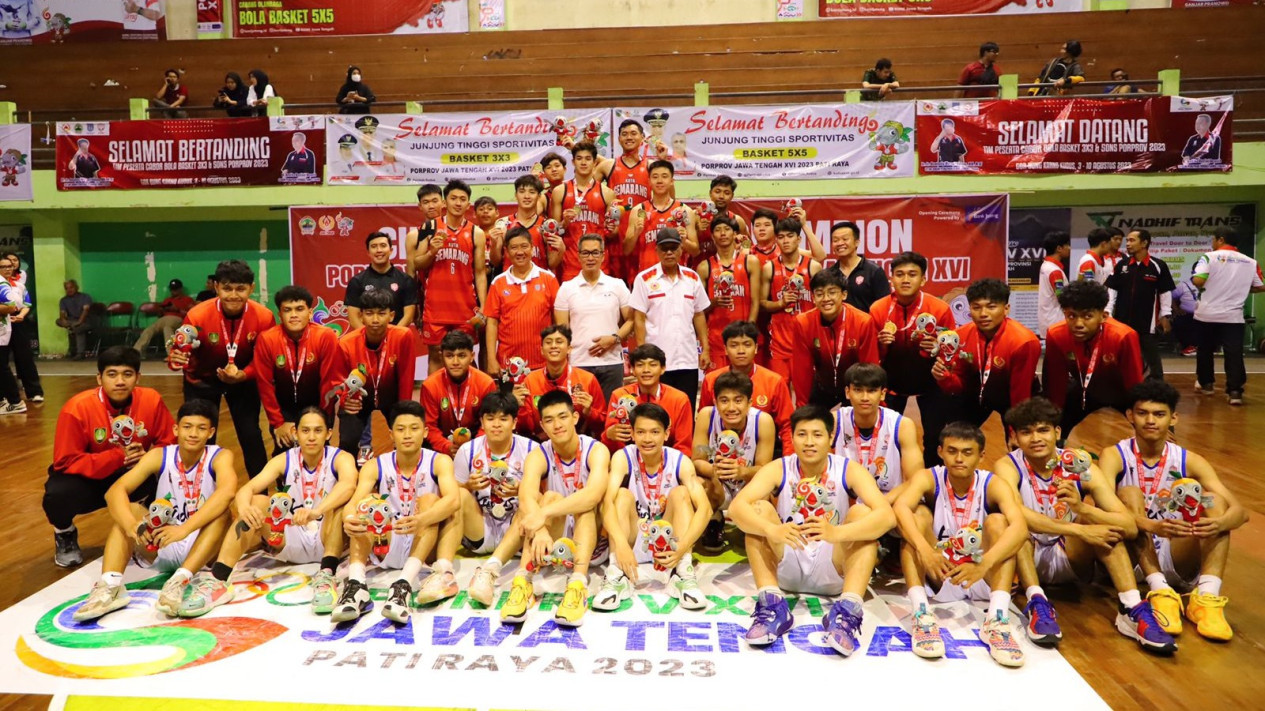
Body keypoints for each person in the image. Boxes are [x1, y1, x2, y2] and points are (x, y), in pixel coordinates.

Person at [994, 397, 1175, 653]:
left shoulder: (1081, 465)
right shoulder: (1007, 465)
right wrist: (1080, 529)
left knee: (1105, 526)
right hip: (1026, 556)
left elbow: (1128, 525)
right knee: (1013, 524)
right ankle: (1037, 601)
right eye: (1026, 432)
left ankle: (1131, 607)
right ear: (1014, 437)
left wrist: (1082, 509)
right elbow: (1017, 515)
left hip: (1070, 555)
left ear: (1057, 432)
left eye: (1043, 430)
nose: (1036, 438)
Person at [730, 405, 895, 655]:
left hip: (832, 566)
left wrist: (837, 533)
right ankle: (773, 606)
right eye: (802, 434)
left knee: (862, 514)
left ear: (831, 437)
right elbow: (736, 508)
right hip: (787, 560)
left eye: (817, 435)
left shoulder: (848, 469)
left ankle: (846, 613)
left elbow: (887, 517)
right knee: (758, 510)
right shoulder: (779, 467)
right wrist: (771, 529)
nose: (809, 442)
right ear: (792, 437)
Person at [1100, 380, 1248, 641]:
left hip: (1176, 552)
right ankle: (1159, 590)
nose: (1150, 421)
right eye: (1143, 413)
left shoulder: (1189, 460)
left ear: (1174, 418)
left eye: (1159, 414)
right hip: (1134, 555)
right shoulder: (1114, 455)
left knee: (1213, 500)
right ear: (1130, 416)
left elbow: (1240, 512)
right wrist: (1149, 525)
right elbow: (1103, 509)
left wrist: (1220, 523)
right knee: (1129, 493)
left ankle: (1206, 597)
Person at [181, 407, 359, 617]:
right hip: (291, 538)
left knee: (341, 506)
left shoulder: (341, 458)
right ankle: (219, 580)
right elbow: (247, 489)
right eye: (305, 431)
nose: (311, 437)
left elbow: (348, 484)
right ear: (295, 433)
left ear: (328, 434)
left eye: (318, 431)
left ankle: (327, 575)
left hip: (328, 537)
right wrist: (245, 509)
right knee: (257, 502)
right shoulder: (284, 459)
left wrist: (317, 511)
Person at [70, 399, 237, 622]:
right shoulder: (160, 455)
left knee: (223, 513)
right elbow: (115, 491)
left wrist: (184, 529)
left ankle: (179, 582)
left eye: (201, 428)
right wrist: (131, 525)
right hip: (162, 542)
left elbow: (227, 492)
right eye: (187, 427)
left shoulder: (220, 456)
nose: (193, 434)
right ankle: (110, 586)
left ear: (211, 433)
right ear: (176, 429)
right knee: (129, 510)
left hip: (203, 547)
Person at [893, 422, 1029, 667]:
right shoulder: (929, 477)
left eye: (967, 452)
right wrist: (925, 550)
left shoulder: (993, 484)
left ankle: (997, 621)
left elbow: (1020, 528)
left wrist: (984, 563)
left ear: (981, 456)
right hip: (940, 569)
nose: (959, 459)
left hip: (980, 573)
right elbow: (900, 507)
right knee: (916, 517)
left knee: (999, 523)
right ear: (940, 452)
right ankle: (921, 614)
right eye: (952, 451)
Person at [45, 346, 177, 566]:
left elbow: (171, 444)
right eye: (112, 374)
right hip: (88, 480)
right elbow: (65, 461)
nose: (120, 381)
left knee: (169, 476)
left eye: (127, 374)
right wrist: (117, 457)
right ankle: (64, 532)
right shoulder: (77, 408)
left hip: (132, 476)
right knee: (57, 495)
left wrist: (149, 458)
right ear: (99, 378)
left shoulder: (151, 400)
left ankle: (152, 528)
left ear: (138, 377)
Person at [333, 401, 459, 625]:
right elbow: (353, 503)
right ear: (391, 434)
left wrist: (421, 519)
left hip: (424, 541)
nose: (407, 435)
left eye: (414, 428)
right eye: (401, 429)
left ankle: (403, 585)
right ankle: (356, 585)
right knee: (367, 504)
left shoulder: (440, 461)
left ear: (425, 432)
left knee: (432, 501)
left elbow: (454, 500)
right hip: (386, 539)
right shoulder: (375, 465)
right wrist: (350, 519)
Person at [501, 390, 612, 626]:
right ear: (542, 425)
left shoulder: (597, 450)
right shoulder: (538, 454)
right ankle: (523, 583)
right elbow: (526, 495)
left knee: (583, 506)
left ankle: (577, 586)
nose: (557, 425)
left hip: (590, 544)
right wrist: (540, 528)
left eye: (563, 417)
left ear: (575, 418)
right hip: (552, 542)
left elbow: (593, 495)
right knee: (547, 497)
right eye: (549, 420)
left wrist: (542, 515)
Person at [594, 402, 711, 611]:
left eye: (655, 432)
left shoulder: (680, 461)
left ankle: (682, 574)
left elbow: (705, 509)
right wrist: (621, 544)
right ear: (632, 433)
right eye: (641, 432)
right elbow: (606, 503)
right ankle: (616, 574)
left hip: (669, 544)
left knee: (682, 493)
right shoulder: (623, 457)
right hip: (631, 539)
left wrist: (683, 547)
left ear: (666, 434)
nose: (647, 439)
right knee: (620, 496)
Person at [170, 260, 276, 476]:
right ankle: (197, 489)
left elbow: (265, 360)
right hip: (201, 381)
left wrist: (244, 374)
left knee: (250, 434)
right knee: (200, 435)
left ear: (252, 288)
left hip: (243, 380)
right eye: (227, 288)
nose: (233, 295)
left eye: (240, 289)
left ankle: (260, 491)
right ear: (216, 287)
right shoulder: (197, 315)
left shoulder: (264, 317)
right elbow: (179, 352)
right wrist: (176, 358)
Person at [436, 392, 542, 610]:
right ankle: (443, 573)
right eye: (490, 418)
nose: (496, 424)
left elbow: (544, 495)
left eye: (503, 419)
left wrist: (521, 490)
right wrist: (468, 486)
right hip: (480, 529)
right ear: (482, 422)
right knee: (459, 495)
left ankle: (490, 571)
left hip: (517, 533)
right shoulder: (467, 451)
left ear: (514, 422)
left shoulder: (532, 450)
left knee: (532, 499)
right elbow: (452, 493)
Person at [868, 251, 953, 463]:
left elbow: (951, 353)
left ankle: (932, 479)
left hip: (931, 384)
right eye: (900, 274)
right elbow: (871, 355)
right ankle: (888, 477)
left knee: (934, 438)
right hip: (891, 383)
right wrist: (881, 343)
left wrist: (936, 348)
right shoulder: (878, 309)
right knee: (887, 437)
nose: (905, 279)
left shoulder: (940, 309)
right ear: (891, 278)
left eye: (912, 274)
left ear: (923, 279)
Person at [933, 278, 1041, 430]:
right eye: (976, 307)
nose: (983, 314)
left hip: (1012, 396)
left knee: (1020, 438)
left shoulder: (1024, 342)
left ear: (1006, 309)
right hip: (975, 393)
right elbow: (958, 387)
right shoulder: (959, 337)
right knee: (955, 435)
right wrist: (944, 377)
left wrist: (1017, 431)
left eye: (991, 307)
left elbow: (1020, 394)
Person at [1045, 280, 1144, 438]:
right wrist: (1052, 423)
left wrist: (1140, 421)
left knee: (1150, 421)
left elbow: (1134, 384)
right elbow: (1056, 386)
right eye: (1071, 316)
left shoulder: (1123, 336)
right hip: (1086, 391)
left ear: (1103, 316)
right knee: (1052, 419)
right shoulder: (1056, 335)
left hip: (1123, 392)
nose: (1078, 323)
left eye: (1087, 316)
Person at [253, 285, 346, 452]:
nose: (294, 315)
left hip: (319, 405)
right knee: (284, 454)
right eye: (287, 310)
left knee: (318, 451)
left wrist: (321, 418)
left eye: (299, 309)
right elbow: (264, 385)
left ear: (310, 313)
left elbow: (329, 382)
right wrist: (277, 423)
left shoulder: (325, 336)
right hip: (283, 409)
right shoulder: (267, 339)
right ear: (280, 314)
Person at [691, 371, 776, 551]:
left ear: (749, 403)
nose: (731, 408)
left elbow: (765, 469)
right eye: (724, 400)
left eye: (738, 400)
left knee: (766, 491)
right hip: (717, 485)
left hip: (747, 487)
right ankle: (714, 520)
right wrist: (714, 470)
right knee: (696, 484)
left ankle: (751, 525)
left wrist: (742, 472)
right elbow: (697, 460)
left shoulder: (763, 421)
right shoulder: (706, 416)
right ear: (715, 402)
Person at [412, 180, 489, 375]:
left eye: (463, 199)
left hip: (465, 308)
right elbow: (417, 263)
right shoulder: (429, 227)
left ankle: (471, 395)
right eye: (454, 198)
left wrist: (484, 306)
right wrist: (432, 251)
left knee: (465, 356)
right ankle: (433, 395)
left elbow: (480, 272)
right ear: (445, 202)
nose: (458, 203)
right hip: (435, 307)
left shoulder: (476, 233)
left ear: (468, 204)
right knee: (436, 355)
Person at [628, 228, 710, 406]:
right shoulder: (644, 279)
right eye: (664, 248)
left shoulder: (692, 278)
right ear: (657, 251)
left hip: (687, 359)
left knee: (686, 409)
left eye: (673, 248)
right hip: (656, 363)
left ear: (681, 249)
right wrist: (642, 355)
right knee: (657, 411)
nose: (669, 252)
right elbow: (639, 319)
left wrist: (705, 348)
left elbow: (699, 315)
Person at [553, 233, 634, 400]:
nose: (590, 258)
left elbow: (632, 320)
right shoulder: (566, 288)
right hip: (579, 363)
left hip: (612, 363)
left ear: (603, 256)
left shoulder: (617, 285)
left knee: (611, 412)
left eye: (595, 253)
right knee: (580, 413)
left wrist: (614, 339)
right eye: (586, 253)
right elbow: (562, 331)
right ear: (578, 256)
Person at [337, 289, 416, 457]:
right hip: (359, 398)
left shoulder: (403, 336)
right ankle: (348, 470)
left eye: (381, 313)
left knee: (407, 436)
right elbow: (339, 380)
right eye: (369, 313)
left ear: (391, 316)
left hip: (392, 397)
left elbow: (406, 377)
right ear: (361, 316)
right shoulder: (346, 343)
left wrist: (404, 411)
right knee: (348, 441)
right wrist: (345, 400)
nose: (375, 319)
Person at [1192, 227, 1263, 405]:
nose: (1212, 243)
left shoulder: (1209, 257)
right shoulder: (1250, 261)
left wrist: (1200, 281)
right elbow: (1260, 286)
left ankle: (1207, 384)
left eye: (1213, 239)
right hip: (1233, 316)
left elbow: (1199, 280)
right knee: (1234, 353)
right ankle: (1235, 391)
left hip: (1207, 314)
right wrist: (1238, 288)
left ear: (1221, 240)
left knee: (1205, 350)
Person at [699, 321, 794, 453]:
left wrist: (789, 459)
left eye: (747, 345)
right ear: (725, 349)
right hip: (721, 450)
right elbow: (705, 421)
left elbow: (787, 426)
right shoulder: (711, 380)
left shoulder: (774, 381)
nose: (741, 351)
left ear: (756, 348)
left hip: (764, 450)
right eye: (734, 345)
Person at [790, 269, 879, 409]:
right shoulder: (803, 323)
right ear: (813, 297)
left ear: (844, 294)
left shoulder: (862, 322)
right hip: (822, 386)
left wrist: (867, 403)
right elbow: (802, 370)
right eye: (819, 294)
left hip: (854, 387)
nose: (826, 299)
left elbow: (869, 367)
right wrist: (803, 407)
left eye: (832, 292)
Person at [833, 364, 923, 499]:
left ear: (882, 394)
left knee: (922, 511)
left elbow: (915, 480)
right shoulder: (835, 422)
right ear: (847, 392)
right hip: (846, 500)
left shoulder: (902, 425)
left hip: (888, 499)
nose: (864, 397)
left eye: (872, 391)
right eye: (858, 390)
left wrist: (881, 504)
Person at [485, 227, 561, 376]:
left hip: (543, 362)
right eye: (514, 248)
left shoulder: (549, 279)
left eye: (524, 246)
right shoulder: (498, 283)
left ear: (532, 248)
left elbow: (559, 321)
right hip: (508, 365)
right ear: (506, 251)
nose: (520, 252)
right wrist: (491, 359)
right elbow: (492, 323)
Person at [1106, 229, 1176, 379]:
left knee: (1151, 358)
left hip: (1147, 322)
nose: (1127, 244)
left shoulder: (1158, 265)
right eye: (1127, 241)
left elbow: (1165, 292)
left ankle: (1156, 384)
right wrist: (1108, 311)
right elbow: (1112, 289)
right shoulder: (1122, 265)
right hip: (1122, 321)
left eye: (1132, 240)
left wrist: (1165, 314)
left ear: (1144, 243)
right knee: (1120, 356)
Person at [603, 344, 693, 456]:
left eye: (653, 365)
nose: (646, 370)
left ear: (663, 369)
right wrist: (609, 435)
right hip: (628, 460)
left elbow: (683, 446)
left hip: (669, 460)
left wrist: (667, 463)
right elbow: (611, 443)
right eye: (640, 365)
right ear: (632, 369)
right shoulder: (619, 396)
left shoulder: (679, 399)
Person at [518, 325, 606, 439]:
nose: (553, 346)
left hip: (579, 442)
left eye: (559, 342)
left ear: (569, 349)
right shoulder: (530, 380)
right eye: (548, 342)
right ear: (542, 350)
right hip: (540, 443)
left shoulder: (587, 379)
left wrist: (589, 412)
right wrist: (520, 408)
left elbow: (602, 425)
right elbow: (525, 430)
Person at [696, 215, 761, 369]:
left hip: (743, 337)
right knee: (717, 382)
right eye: (718, 230)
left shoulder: (750, 261)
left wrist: (749, 330)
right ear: (712, 236)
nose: (723, 233)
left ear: (735, 234)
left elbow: (756, 301)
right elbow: (698, 310)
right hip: (716, 340)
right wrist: (713, 303)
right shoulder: (704, 267)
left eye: (727, 229)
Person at [420, 331, 499, 456]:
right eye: (449, 356)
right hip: (442, 443)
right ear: (441, 356)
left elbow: (489, 421)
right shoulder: (430, 385)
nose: (455, 362)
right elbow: (430, 426)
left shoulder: (486, 383)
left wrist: (474, 447)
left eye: (462, 356)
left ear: (472, 356)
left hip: (477, 442)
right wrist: (446, 447)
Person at [761, 217, 820, 383]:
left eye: (790, 236)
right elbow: (762, 303)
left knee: (805, 393)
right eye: (781, 237)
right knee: (779, 391)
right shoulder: (769, 268)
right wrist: (780, 303)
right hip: (779, 342)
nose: (785, 241)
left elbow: (822, 303)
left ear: (799, 239)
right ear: (776, 240)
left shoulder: (813, 267)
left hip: (806, 340)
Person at [552, 141, 619, 282]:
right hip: (570, 264)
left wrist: (612, 229)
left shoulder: (607, 193)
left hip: (599, 265)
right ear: (573, 162)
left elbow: (612, 234)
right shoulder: (560, 191)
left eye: (588, 159)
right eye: (579, 158)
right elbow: (555, 232)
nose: (583, 163)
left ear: (595, 163)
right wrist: (564, 223)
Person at [598, 119, 653, 283]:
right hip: (615, 237)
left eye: (633, 133)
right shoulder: (608, 165)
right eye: (624, 134)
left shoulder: (651, 166)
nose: (629, 137)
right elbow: (587, 189)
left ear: (642, 137)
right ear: (619, 139)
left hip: (642, 235)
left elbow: (668, 195)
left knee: (643, 285)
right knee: (616, 286)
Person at [625, 160, 698, 274]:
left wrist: (684, 241)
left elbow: (695, 251)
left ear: (672, 181)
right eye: (655, 177)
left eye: (664, 176)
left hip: (676, 277)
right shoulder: (638, 210)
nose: (659, 181)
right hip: (648, 277)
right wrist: (636, 233)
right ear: (649, 181)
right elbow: (626, 250)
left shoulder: (684, 211)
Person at [344, 231, 418, 330]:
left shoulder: (406, 280)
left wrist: (392, 336)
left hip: (396, 336)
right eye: (374, 246)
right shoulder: (357, 281)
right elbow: (354, 319)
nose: (379, 250)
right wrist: (371, 336)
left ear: (391, 250)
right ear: (368, 252)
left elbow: (408, 316)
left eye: (383, 246)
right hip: (367, 337)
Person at [496, 175, 560, 272]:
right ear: (516, 195)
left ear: (539, 196)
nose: (526, 196)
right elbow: (496, 262)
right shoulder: (503, 223)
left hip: (538, 279)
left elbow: (552, 264)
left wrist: (561, 249)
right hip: (510, 280)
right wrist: (494, 244)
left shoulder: (547, 226)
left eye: (532, 192)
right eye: (522, 192)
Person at [0, 254, 41, 402]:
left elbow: (26, 304)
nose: (8, 268)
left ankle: (34, 392)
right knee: (2, 361)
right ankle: (6, 396)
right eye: (4, 266)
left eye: (11, 265)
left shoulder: (19, 285)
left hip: (17, 322)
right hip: (3, 323)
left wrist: (21, 315)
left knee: (24, 357)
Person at [824, 221, 891, 312]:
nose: (840, 243)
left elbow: (885, 306)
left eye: (845, 239)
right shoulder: (829, 274)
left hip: (868, 321)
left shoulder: (874, 271)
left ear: (857, 242)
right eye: (835, 240)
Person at [692, 175, 750, 266]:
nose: (721, 196)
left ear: (732, 196)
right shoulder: (695, 216)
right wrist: (697, 231)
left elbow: (748, 248)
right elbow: (683, 246)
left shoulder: (737, 221)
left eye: (726, 193)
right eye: (717, 192)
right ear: (710, 193)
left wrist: (740, 242)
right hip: (697, 269)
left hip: (728, 271)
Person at [133, 278, 195, 355]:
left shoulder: (187, 299)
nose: (173, 291)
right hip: (164, 318)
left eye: (175, 289)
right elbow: (159, 315)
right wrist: (161, 310)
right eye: (172, 289)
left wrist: (177, 310)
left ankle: (172, 353)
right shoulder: (167, 300)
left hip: (177, 319)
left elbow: (191, 314)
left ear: (180, 289)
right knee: (149, 329)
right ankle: (136, 352)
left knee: (167, 328)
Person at [1038, 230, 1070, 339]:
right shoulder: (1054, 271)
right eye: (1067, 245)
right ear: (1059, 248)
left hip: (1049, 319)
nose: (1069, 248)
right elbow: (1062, 296)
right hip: (1056, 321)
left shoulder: (1046, 265)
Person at [58, 279, 95, 358]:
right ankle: (73, 327)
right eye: (66, 288)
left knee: (78, 328)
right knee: (58, 321)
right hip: (72, 321)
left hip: (86, 321)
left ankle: (80, 353)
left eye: (71, 287)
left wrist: (79, 322)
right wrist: (63, 320)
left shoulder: (85, 297)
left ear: (76, 287)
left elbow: (85, 311)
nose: (69, 290)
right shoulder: (63, 300)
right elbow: (62, 312)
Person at [1172, 276, 1199, 357]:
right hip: (1187, 314)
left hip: (1205, 314)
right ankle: (1189, 346)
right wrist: (1177, 310)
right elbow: (1171, 297)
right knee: (1179, 322)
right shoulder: (1183, 285)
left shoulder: (1209, 284)